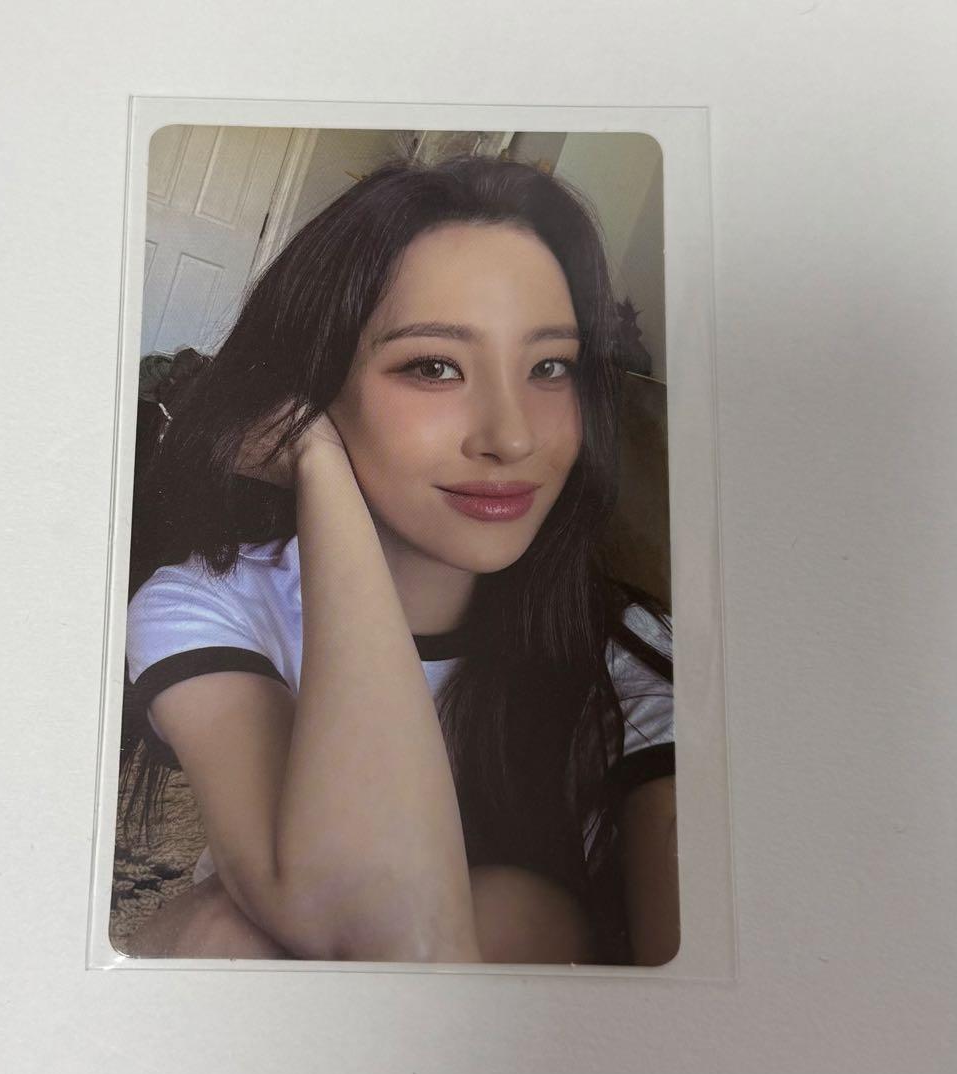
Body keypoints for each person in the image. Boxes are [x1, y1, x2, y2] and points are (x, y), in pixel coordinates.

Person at [118, 153, 677, 966]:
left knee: (519, 914)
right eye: (433, 367)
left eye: (549, 367)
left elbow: (390, 939)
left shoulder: (631, 656)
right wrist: (318, 462)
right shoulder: (209, 600)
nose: (512, 437)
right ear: (311, 382)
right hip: (279, 979)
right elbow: (356, 913)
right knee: (221, 934)